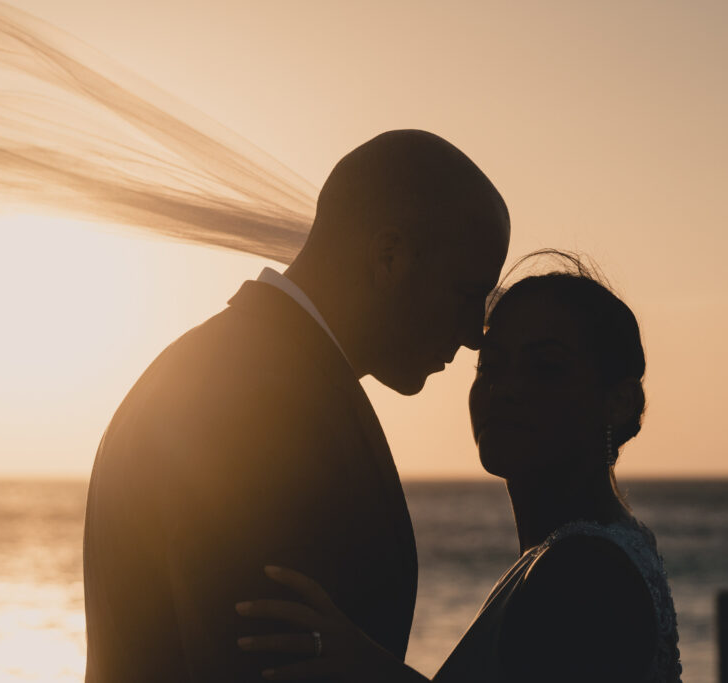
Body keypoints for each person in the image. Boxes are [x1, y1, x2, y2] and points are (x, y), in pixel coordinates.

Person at [82, 129, 511, 682]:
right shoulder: (262, 401)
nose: (476, 334)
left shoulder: (221, 365)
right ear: (389, 257)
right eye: (466, 292)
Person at [235, 254, 683, 683]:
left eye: (546, 368)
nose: (504, 388)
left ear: (619, 401)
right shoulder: (592, 547)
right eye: (490, 365)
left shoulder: (584, 571)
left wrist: (362, 663)